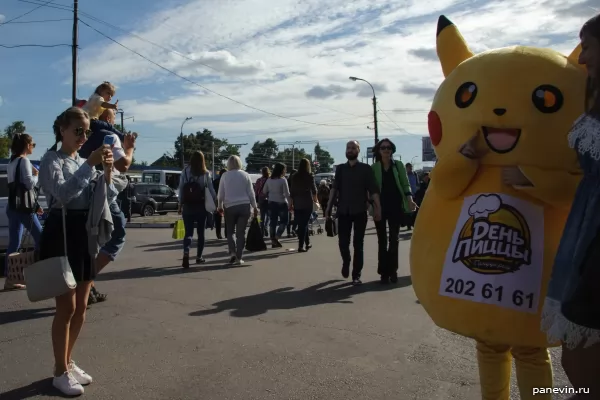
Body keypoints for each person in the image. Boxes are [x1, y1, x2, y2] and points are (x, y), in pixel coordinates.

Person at [541, 14, 600, 396]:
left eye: (590, 45)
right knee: (577, 359)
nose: (583, 58)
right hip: (586, 229)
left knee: (581, 361)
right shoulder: (593, 98)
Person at [39, 106, 115, 396]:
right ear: (63, 130)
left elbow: (102, 195)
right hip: (62, 233)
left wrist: (105, 170)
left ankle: (67, 362)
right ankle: (59, 371)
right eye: (78, 131)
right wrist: (89, 166)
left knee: (82, 306)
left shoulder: (84, 160)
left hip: (83, 233)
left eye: (87, 132)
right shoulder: (51, 159)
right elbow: (61, 194)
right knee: (67, 307)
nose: (83, 137)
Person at [78, 108, 136, 305]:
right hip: (101, 192)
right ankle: (86, 280)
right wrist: (129, 147)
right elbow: (124, 166)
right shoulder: (109, 135)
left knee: (91, 241)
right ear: (108, 118)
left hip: (84, 193)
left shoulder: (84, 136)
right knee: (116, 233)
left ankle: (89, 285)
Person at [326, 140, 381, 285]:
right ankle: (346, 261)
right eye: (348, 148)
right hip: (343, 211)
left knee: (358, 244)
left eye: (353, 148)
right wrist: (328, 208)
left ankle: (356, 274)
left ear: (358, 150)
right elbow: (334, 189)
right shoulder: (340, 169)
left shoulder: (365, 169)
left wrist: (377, 208)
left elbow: (373, 191)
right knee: (343, 242)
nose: (350, 150)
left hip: (359, 212)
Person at [371, 139, 417, 284]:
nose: (386, 150)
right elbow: (371, 189)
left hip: (395, 206)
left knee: (394, 239)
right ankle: (383, 272)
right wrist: (372, 206)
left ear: (392, 150)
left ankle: (393, 271)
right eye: (383, 148)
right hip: (380, 206)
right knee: (382, 240)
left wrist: (409, 199)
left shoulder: (398, 166)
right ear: (379, 150)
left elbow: (405, 183)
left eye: (388, 148)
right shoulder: (374, 167)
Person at [4, 133, 43, 290]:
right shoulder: (24, 161)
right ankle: (40, 273)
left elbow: (15, 185)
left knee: (14, 243)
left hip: (12, 206)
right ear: (27, 145)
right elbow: (28, 185)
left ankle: (10, 278)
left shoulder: (11, 162)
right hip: (24, 208)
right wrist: (36, 176)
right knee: (41, 238)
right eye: (32, 144)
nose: (33, 147)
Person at [178, 151, 217, 268]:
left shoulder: (185, 172)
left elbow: (181, 189)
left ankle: (186, 252)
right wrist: (215, 202)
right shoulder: (205, 173)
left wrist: (180, 204)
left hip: (188, 206)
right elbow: (211, 190)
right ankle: (199, 257)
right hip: (201, 206)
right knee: (201, 233)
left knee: (188, 233)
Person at [217, 156, 258, 264]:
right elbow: (251, 193)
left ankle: (232, 253)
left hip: (229, 206)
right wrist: (254, 207)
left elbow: (221, 193)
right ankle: (239, 257)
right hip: (244, 206)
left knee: (230, 232)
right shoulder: (245, 175)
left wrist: (220, 206)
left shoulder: (225, 175)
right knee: (241, 233)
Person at [290, 159, 318, 252]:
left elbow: (292, 192)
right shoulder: (310, 176)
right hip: (307, 202)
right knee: (304, 224)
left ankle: (307, 243)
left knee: (302, 224)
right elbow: (314, 190)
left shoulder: (294, 176)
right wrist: (316, 200)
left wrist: (291, 204)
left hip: (297, 202)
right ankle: (301, 246)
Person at [263, 163, 292, 248]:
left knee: (273, 222)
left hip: (271, 202)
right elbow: (287, 193)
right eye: (284, 169)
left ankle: (273, 239)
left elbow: (264, 191)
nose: (285, 171)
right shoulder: (283, 180)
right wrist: (290, 204)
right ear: (281, 170)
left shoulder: (269, 180)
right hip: (282, 202)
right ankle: (277, 237)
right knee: (284, 221)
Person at [254, 167, 270, 236]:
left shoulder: (259, 180)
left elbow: (256, 191)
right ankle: (266, 226)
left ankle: (262, 228)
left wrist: (256, 199)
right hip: (269, 198)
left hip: (261, 199)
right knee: (268, 215)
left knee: (262, 216)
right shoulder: (270, 180)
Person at [213, 169, 227, 239]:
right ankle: (227, 233)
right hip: (226, 201)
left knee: (218, 219)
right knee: (227, 218)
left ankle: (218, 234)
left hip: (217, 201)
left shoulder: (215, 181)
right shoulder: (227, 181)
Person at [404, 162, 419, 230]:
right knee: (409, 210)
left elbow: (417, 183)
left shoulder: (415, 174)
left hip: (415, 193)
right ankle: (408, 224)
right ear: (406, 168)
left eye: (411, 167)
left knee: (414, 209)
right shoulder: (404, 174)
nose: (411, 168)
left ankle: (413, 223)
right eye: (409, 167)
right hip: (408, 194)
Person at [286, 168, 298, 237]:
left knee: (289, 217)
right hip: (296, 200)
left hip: (288, 200)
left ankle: (288, 232)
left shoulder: (287, 181)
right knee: (296, 216)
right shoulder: (296, 181)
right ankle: (293, 229)